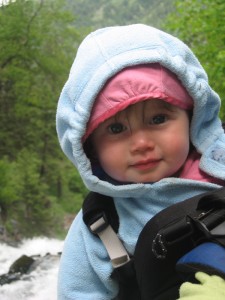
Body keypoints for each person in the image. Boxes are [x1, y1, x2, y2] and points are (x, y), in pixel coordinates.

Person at [56, 24, 225, 299]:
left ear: (192, 118)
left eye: (158, 119)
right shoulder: (101, 224)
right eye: (116, 129)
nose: (142, 143)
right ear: (91, 146)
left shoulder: (219, 168)